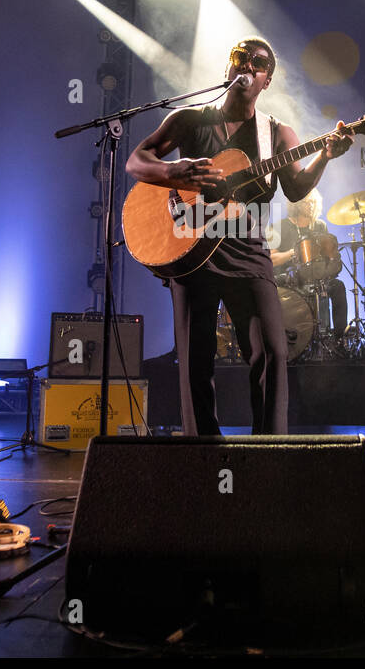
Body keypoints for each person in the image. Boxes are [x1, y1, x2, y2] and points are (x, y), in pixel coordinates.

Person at [126, 37, 351, 435]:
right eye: (239, 58)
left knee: (272, 353)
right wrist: (172, 173)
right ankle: (204, 450)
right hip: (192, 251)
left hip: (247, 250)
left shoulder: (277, 134)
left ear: (267, 81)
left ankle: (267, 450)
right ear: (227, 70)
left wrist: (324, 156)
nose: (247, 65)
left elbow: (296, 189)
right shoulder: (190, 121)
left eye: (259, 63)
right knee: (195, 360)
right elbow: (137, 159)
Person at [269, 190, 348, 338]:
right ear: (296, 203)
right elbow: (271, 259)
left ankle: (339, 339)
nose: (311, 205)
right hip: (289, 279)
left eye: (313, 202)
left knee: (338, 286)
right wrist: (295, 252)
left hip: (317, 277)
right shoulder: (279, 226)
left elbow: (328, 253)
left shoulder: (320, 226)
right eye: (307, 202)